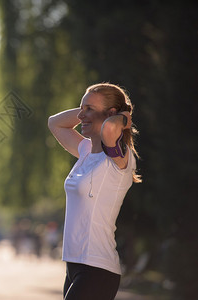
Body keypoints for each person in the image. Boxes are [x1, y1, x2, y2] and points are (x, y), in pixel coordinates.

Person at [47, 83, 141, 300]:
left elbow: (109, 130)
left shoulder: (118, 158)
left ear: (110, 114)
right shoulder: (86, 152)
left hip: (98, 268)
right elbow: (55, 123)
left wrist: (124, 117)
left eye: (89, 109)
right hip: (74, 265)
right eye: (82, 108)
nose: (81, 115)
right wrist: (87, 111)